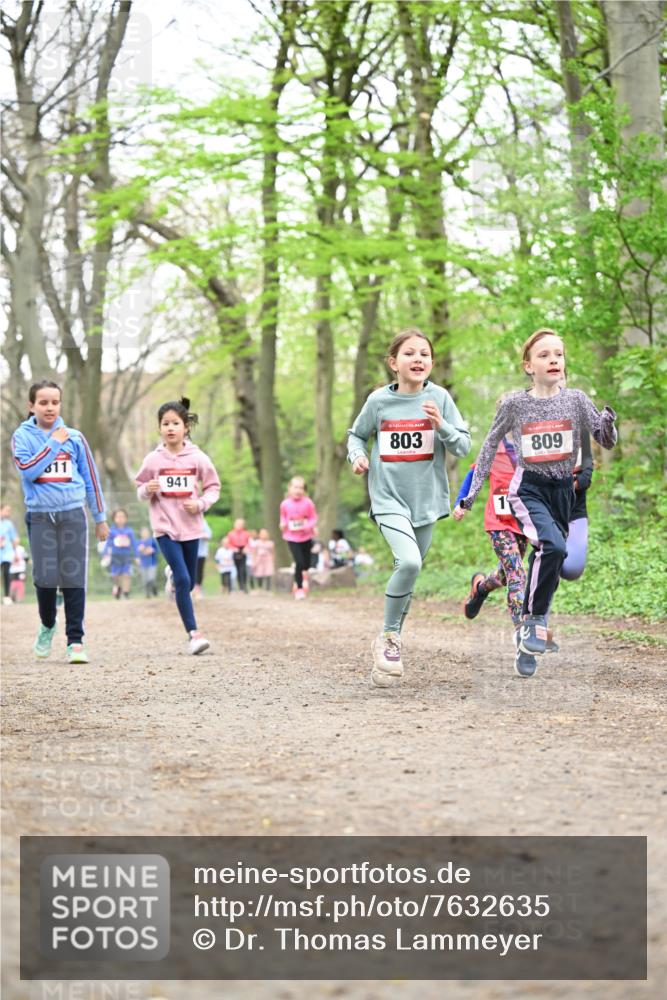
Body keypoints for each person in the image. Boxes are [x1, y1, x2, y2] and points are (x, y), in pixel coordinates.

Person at [455, 328, 617, 677]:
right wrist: (469, 497)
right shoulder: (515, 404)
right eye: (544, 355)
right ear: (528, 365)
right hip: (528, 489)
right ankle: (533, 623)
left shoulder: (576, 399)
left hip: (563, 492)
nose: (553, 359)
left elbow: (604, 440)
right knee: (551, 546)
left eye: (558, 354)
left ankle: (529, 618)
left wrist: (608, 422)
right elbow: (487, 447)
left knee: (553, 555)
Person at [348, 328, 471, 687]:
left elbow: (463, 446)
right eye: (409, 354)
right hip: (388, 497)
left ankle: (388, 654)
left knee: (411, 574)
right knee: (410, 562)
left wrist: (442, 425)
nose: (418, 360)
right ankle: (388, 636)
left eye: (425, 355)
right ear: (393, 363)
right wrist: (357, 455)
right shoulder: (378, 402)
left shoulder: (440, 398)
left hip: (427, 500)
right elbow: (356, 434)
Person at [12, 379, 109, 663]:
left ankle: (75, 641)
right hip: (40, 516)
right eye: (43, 402)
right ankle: (47, 624)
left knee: (73, 576)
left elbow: (91, 479)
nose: (50, 408)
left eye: (55, 402)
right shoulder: (22, 436)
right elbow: (29, 471)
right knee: (45, 578)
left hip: (73, 514)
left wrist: (99, 518)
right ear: (31, 406)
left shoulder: (76, 437)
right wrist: (54, 444)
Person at [135, 397, 220, 654]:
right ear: (159, 428)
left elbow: (214, 487)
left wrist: (201, 503)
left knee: (189, 581)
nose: (170, 428)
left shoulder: (198, 458)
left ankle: (173, 575)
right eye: (165, 424)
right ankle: (194, 634)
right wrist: (146, 490)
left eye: (175, 423)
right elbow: (139, 487)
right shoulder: (153, 460)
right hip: (164, 528)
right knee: (184, 580)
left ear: (185, 427)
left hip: (192, 527)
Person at [280, 476, 318, 599]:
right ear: (289, 488)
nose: (298, 490)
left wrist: (308, 526)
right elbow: (283, 518)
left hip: (306, 536)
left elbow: (313, 518)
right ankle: (299, 589)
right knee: (299, 562)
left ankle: (299, 569)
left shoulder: (308, 503)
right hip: (291, 537)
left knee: (306, 564)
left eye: (301, 488)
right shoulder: (285, 504)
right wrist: (283, 524)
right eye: (295, 487)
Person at [103, 508, 139, 599]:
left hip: (126, 555)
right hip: (115, 555)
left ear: (126, 518)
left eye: (122, 516)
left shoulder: (129, 531)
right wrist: (105, 554)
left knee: (127, 574)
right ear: (114, 518)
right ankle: (117, 587)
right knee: (115, 575)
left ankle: (126, 593)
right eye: (118, 516)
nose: (120, 518)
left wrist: (136, 556)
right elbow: (107, 543)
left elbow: (134, 544)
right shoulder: (111, 531)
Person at [225, 518, 250, 593]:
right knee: (237, 569)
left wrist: (246, 548)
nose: (239, 526)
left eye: (241, 524)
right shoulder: (230, 533)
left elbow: (249, 543)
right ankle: (239, 586)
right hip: (235, 551)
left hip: (243, 551)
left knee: (243, 569)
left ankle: (244, 585)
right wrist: (234, 548)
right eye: (238, 524)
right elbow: (229, 544)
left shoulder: (246, 533)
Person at [0, 504, 18, 605]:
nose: (8, 513)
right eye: (6, 510)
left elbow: (14, 538)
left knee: (6, 573)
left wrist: (15, 552)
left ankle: (6, 596)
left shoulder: (9, 524)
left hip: (6, 553)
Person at [137, 526, 159, 597]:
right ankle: (147, 594)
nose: (145, 533)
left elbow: (157, 550)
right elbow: (136, 553)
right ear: (140, 534)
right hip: (143, 564)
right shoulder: (139, 542)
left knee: (151, 578)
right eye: (143, 532)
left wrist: (152, 550)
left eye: (146, 532)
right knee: (145, 580)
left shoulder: (152, 541)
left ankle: (154, 588)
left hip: (152, 563)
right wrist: (139, 552)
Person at [193, 519, 212, 599]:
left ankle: (197, 590)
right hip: (189, 552)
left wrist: (200, 535)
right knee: (191, 571)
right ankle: (192, 589)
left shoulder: (203, 522)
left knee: (199, 572)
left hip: (201, 552)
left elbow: (209, 535)